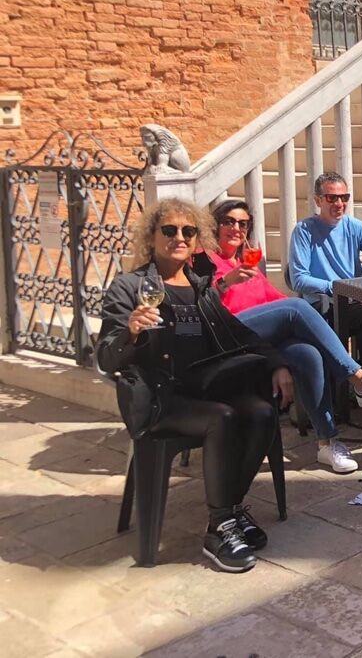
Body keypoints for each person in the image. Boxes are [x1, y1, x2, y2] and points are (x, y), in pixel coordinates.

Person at [97, 199, 293, 573]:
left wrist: (278, 363)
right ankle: (219, 528)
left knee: (262, 412)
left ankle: (229, 510)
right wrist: (131, 332)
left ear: (197, 237)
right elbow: (106, 357)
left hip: (205, 390)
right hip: (160, 400)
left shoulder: (201, 288)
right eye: (169, 230)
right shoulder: (130, 287)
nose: (179, 238)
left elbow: (241, 333)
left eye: (188, 231)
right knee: (223, 417)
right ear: (152, 237)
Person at [202, 200, 362, 474]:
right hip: (228, 333)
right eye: (229, 221)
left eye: (243, 223)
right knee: (298, 306)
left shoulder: (247, 259)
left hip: (261, 337)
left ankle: (327, 443)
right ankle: (361, 381)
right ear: (216, 224)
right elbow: (202, 306)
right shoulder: (205, 259)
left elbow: (273, 299)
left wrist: (282, 352)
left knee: (310, 355)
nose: (236, 228)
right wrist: (227, 282)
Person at [288, 172, 362, 377]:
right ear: (318, 200)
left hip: (355, 302)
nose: (339, 203)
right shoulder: (304, 230)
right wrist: (338, 287)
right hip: (325, 305)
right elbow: (298, 279)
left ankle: (360, 372)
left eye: (344, 197)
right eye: (332, 197)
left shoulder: (354, 226)